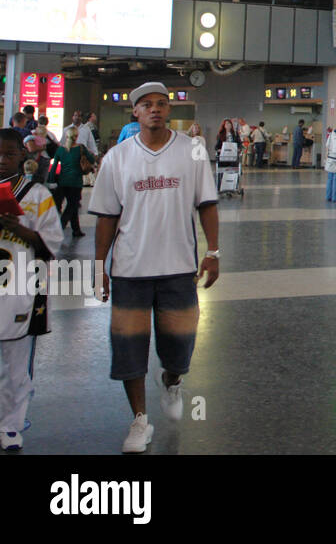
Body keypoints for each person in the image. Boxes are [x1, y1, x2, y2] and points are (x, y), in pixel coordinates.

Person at [88, 82, 220, 454]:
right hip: (130, 269)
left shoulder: (191, 151)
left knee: (180, 343)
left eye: (161, 104)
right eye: (147, 105)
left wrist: (214, 251)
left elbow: (207, 204)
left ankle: (172, 379)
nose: (155, 110)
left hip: (178, 268)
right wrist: (99, 266)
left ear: (169, 109)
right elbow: (106, 219)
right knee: (128, 347)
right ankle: (139, 421)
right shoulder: (117, 158)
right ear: (136, 112)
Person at [0, 128, 63, 450]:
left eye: (9, 154)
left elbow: (53, 241)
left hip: (21, 290)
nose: (1, 160)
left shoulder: (38, 196)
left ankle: (11, 424)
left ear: (22, 156)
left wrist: (22, 231)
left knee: (16, 364)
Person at [44, 132, 90, 238]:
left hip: (62, 182)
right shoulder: (81, 148)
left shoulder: (61, 149)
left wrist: (51, 180)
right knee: (72, 205)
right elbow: (91, 159)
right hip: (76, 182)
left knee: (71, 205)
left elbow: (55, 165)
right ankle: (60, 226)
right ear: (77, 136)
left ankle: (76, 230)